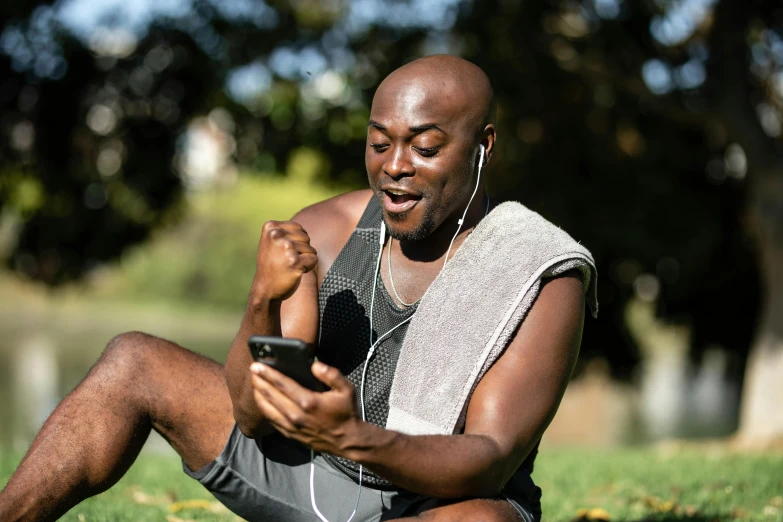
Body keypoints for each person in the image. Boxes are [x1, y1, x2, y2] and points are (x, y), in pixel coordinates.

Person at [0, 55, 588, 522]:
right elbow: (253, 416)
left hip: (436, 503)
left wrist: (355, 437)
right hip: (311, 473)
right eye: (379, 143)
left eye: (425, 148)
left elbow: (489, 458)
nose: (395, 166)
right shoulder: (326, 232)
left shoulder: (538, 270)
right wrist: (262, 298)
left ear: (483, 146)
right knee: (133, 361)